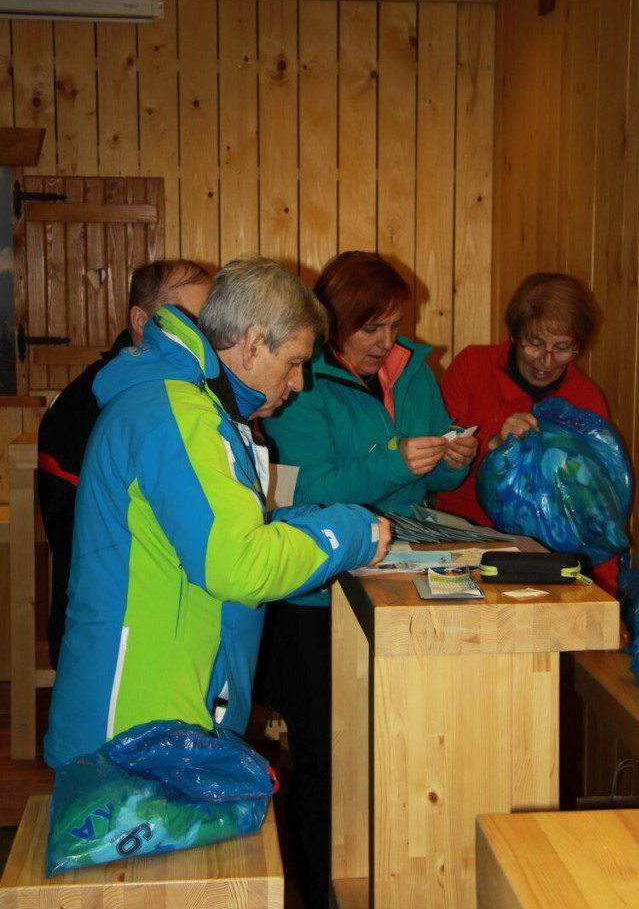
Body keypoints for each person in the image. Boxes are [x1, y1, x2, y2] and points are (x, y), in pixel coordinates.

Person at [43, 254, 392, 770]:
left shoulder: (193, 406)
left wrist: (308, 525)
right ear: (252, 344)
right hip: (137, 730)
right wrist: (353, 532)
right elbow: (238, 565)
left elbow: (215, 535)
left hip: (157, 715)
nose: (300, 381)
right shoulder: (179, 417)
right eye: (294, 361)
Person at [258, 250, 477, 909]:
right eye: (371, 328)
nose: (387, 342)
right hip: (317, 601)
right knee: (328, 763)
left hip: (400, 580)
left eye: (394, 325)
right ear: (333, 324)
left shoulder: (413, 369)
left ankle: (400, 901)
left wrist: (454, 457)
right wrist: (393, 459)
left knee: (406, 752)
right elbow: (310, 492)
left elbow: (432, 471)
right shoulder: (300, 383)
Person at [37, 258, 214, 668]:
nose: (202, 334)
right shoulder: (80, 406)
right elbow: (72, 533)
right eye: (188, 319)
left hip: (177, 623)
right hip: (107, 629)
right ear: (140, 320)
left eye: (206, 321)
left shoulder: (200, 392)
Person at [437, 271, 619, 592]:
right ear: (513, 334)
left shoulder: (586, 402)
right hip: (466, 542)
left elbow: (594, 511)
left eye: (562, 347)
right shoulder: (473, 367)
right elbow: (437, 467)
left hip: (551, 558)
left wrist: (606, 597)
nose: (546, 361)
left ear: (578, 346)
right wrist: (493, 446)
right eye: (534, 344)